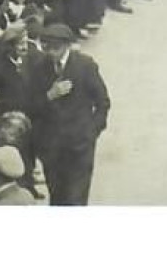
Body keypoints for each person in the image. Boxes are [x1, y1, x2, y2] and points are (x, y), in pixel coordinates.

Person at [24, 24, 110, 205]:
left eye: (56, 48)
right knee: (57, 198)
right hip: (52, 149)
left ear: (67, 46)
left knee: (76, 199)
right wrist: (49, 96)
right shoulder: (39, 68)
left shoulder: (85, 66)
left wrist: (92, 132)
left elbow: (102, 102)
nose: (51, 52)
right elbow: (30, 107)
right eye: (47, 47)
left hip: (79, 147)